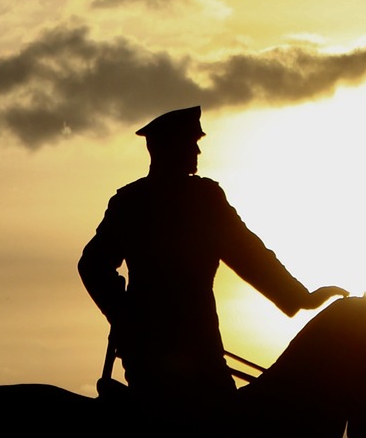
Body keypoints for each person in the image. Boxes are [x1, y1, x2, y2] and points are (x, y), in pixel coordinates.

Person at [79, 105, 345, 409]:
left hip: (190, 349)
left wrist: (301, 297)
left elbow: (248, 253)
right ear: (167, 148)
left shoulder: (179, 200)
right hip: (162, 356)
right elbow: (92, 265)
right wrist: (128, 319)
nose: (197, 151)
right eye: (190, 143)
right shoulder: (162, 202)